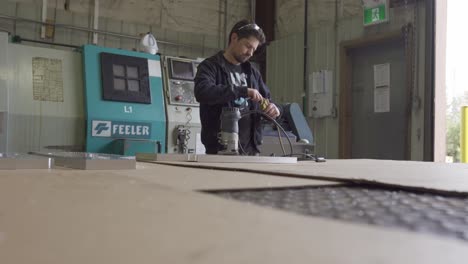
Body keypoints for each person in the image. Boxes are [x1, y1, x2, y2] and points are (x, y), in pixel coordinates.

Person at [194, 19, 280, 155]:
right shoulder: (210, 66)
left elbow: (268, 99)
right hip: (219, 151)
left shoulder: (252, 73)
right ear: (234, 38)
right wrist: (242, 91)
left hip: (251, 151)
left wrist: (274, 109)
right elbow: (202, 91)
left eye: (254, 49)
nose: (250, 53)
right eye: (248, 46)